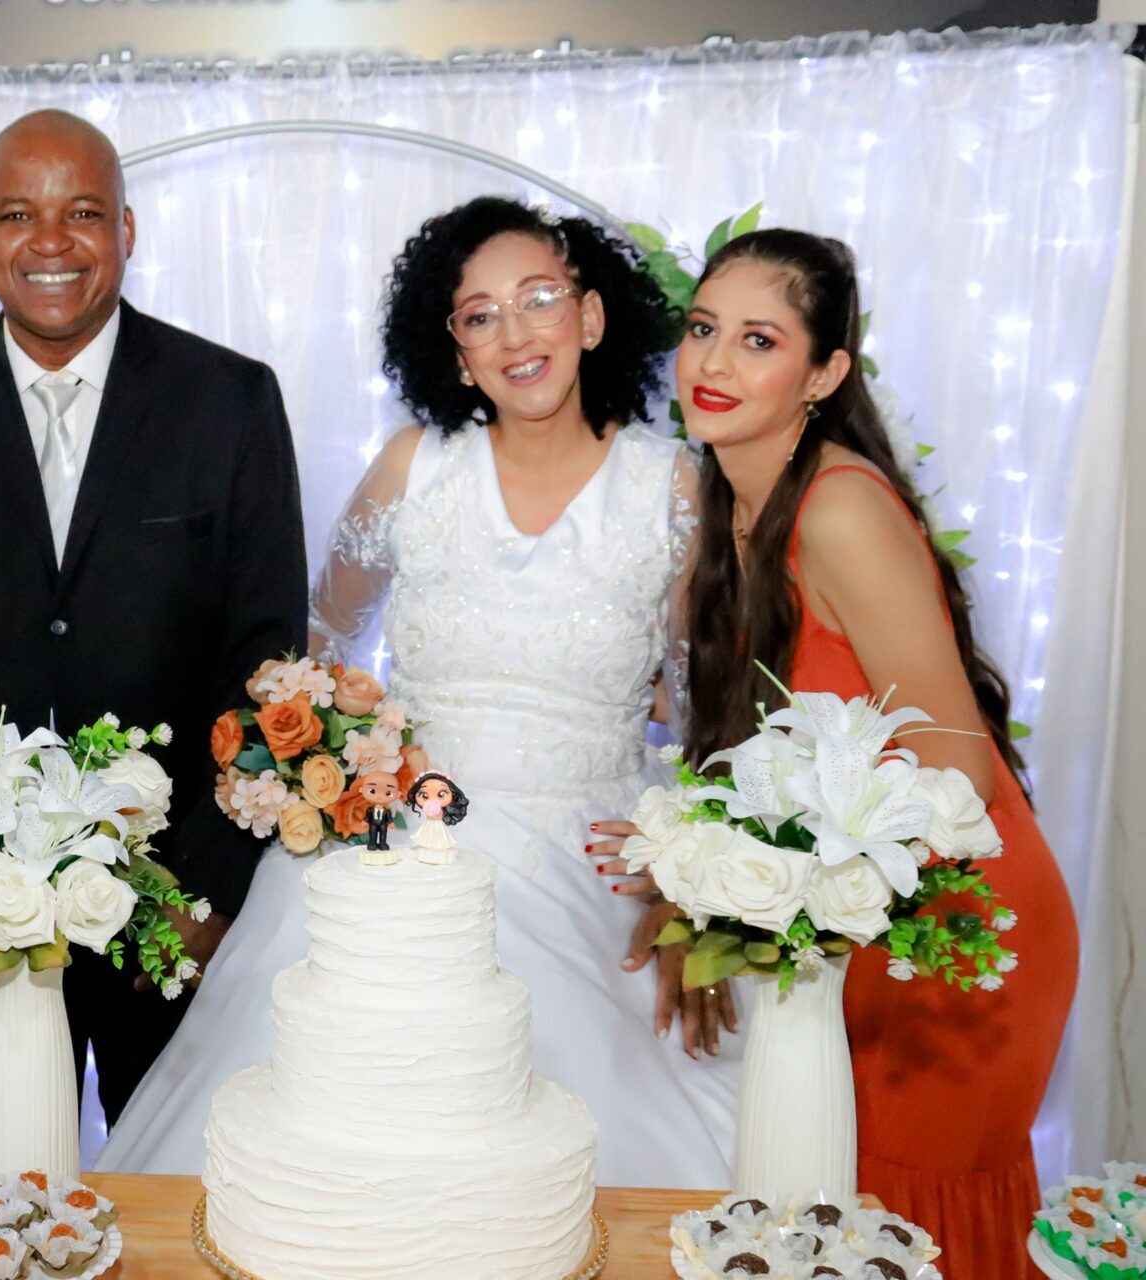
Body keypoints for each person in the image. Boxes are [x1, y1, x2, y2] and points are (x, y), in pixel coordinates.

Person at [97, 197, 741, 1184]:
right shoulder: (415, 467)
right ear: (456, 351)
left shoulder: (674, 484)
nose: (515, 333)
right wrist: (332, 757)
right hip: (401, 842)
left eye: (539, 300)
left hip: (593, 858)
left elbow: (706, 714)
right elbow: (313, 652)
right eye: (481, 315)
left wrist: (682, 876)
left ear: (591, 317)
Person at [0, 109, 307, 1161]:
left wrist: (208, 893)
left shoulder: (230, 399)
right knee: (2, 1210)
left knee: (185, 1203)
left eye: (83, 213)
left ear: (127, 230)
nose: (50, 242)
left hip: (169, 915)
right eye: (18, 215)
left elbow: (264, 659)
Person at [619, 227, 1077, 1277]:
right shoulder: (725, 507)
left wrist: (750, 875)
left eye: (759, 340)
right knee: (828, 1214)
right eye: (702, 329)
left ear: (824, 374)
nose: (714, 362)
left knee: (902, 1221)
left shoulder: (838, 507)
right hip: (848, 925)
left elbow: (957, 767)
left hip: (952, 925)